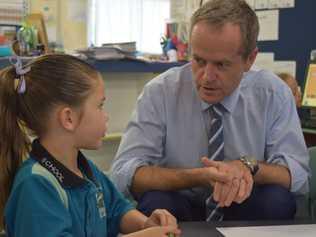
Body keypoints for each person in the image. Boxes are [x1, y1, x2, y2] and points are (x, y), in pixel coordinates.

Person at [110, 0, 310, 222]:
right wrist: (196, 176)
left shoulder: (273, 94)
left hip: (245, 204)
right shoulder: (160, 92)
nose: (207, 77)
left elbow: (297, 176)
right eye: (199, 60)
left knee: (277, 200)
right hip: (179, 205)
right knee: (156, 201)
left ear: (249, 60)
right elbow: (123, 174)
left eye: (221, 65)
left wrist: (246, 167)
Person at [0, 54, 181, 237]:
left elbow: (117, 210)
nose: (105, 116)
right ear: (68, 118)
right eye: (100, 106)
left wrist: (146, 224)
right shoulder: (36, 186)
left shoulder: (85, 169)